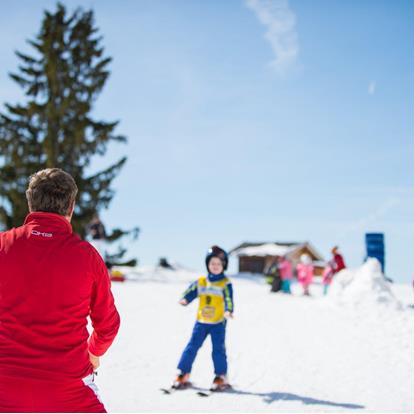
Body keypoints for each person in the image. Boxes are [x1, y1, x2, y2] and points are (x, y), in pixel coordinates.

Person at [0, 168, 120, 412]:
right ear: (71, 207)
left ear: (30, 201)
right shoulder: (87, 257)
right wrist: (94, 351)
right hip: (69, 390)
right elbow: (107, 325)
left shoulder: (3, 245)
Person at [173, 245, 234, 391]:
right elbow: (190, 292)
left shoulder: (225, 283)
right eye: (212, 263)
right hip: (201, 322)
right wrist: (185, 299)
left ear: (224, 265)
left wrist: (228, 310)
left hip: (218, 323)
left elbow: (228, 299)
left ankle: (221, 376)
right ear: (208, 264)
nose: (215, 266)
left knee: (218, 350)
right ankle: (183, 372)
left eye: (219, 264)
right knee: (192, 347)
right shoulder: (201, 281)